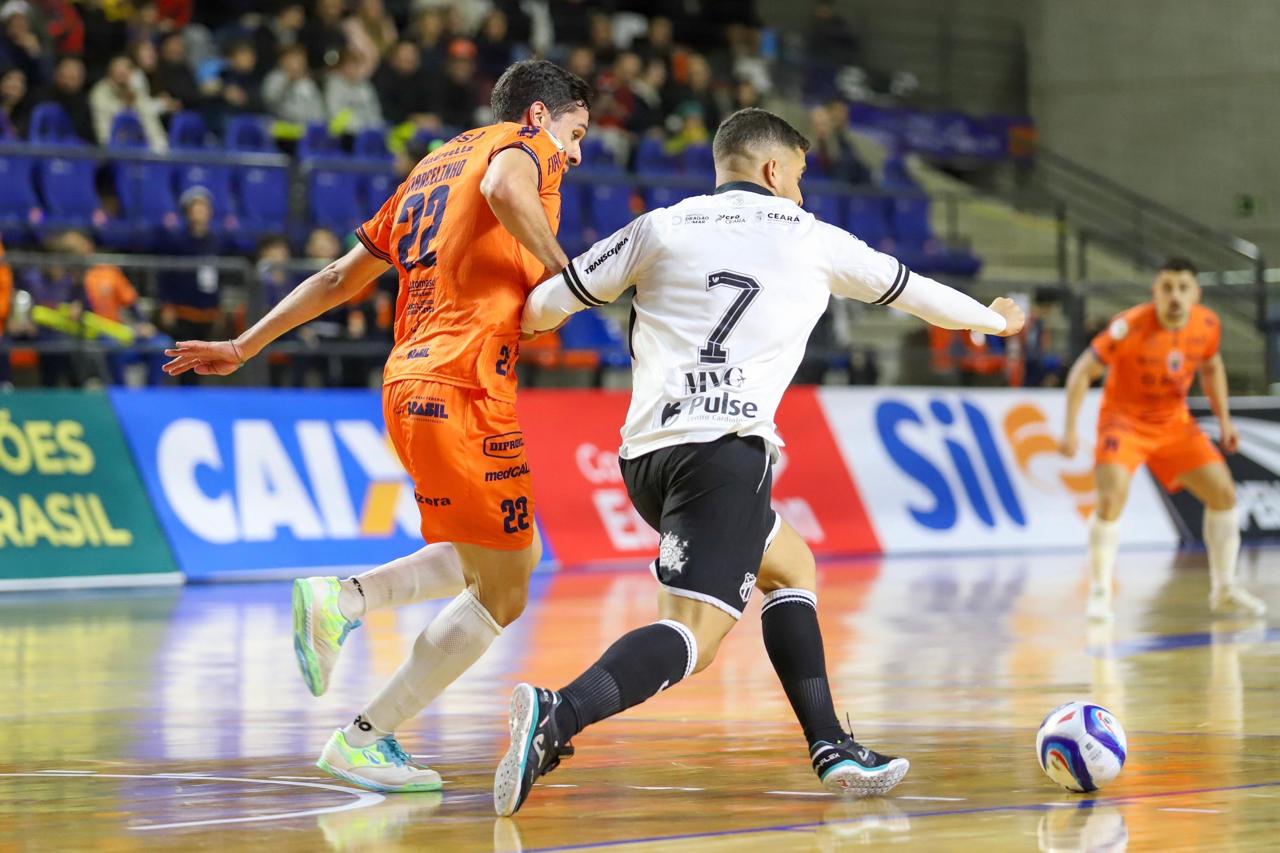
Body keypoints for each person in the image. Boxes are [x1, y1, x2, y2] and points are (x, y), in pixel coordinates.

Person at [500, 107, 1026, 816]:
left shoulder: (659, 226)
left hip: (645, 458)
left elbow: (541, 308)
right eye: (800, 176)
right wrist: (994, 319)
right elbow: (916, 293)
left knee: (791, 566)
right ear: (775, 170)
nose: (802, 193)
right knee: (693, 638)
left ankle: (831, 744)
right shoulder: (813, 237)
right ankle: (558, 713)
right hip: (724, 454)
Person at [163, 59, 591, 794]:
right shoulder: (523, 148)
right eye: (576, 133)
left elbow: (337, 278)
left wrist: (243, 345)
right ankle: (360, 719)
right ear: (540, 115)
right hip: (464, 384)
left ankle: (352, 629)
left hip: (406, 384)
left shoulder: (431, 166)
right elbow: (505, 188)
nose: (576, 154)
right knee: (506, 589)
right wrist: (569, 277)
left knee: (500, 557)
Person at [1059, 259, 1266, 621]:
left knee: (1224, 495)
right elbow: (1081, 372)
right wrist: (1070, 429)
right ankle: (1100, 592)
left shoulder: (1207, 324)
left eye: (1183, 288)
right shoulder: (1127, 326)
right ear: (1154, 292)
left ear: (1196, 293)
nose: (1175, 296)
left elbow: (1212, 367)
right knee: (1110, 499)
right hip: (1124, 422)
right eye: (1167, 288)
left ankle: (1224, 590)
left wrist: (1225, 421)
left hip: (1173, 423)